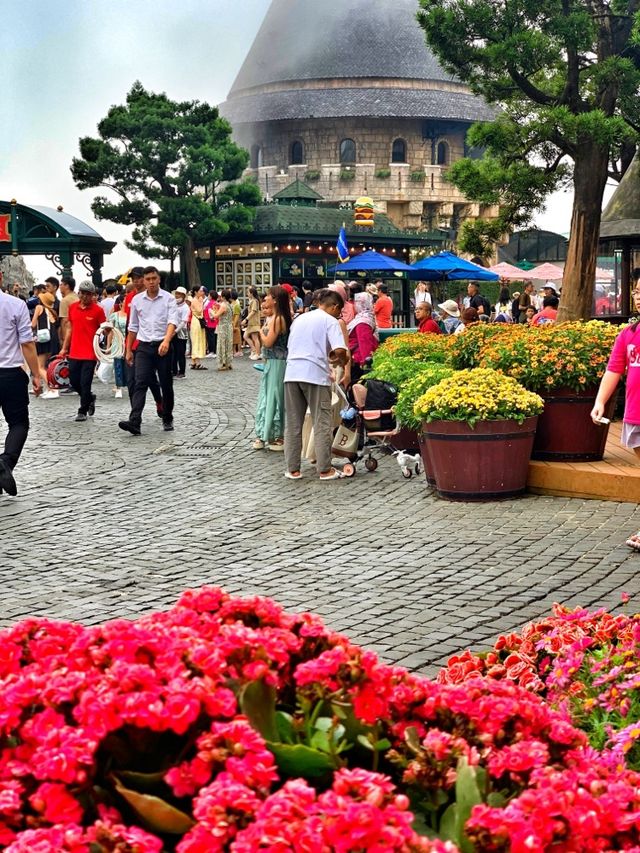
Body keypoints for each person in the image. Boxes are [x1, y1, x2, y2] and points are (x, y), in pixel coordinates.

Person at [283, 288, 350, 481]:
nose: (340, 315)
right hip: (315, 375)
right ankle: (324, 469)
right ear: (335, 307)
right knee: (322, 421)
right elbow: (339, 349)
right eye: (340, 311)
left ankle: (293, 469)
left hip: (292, 373)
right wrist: (342, 361)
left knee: (293, 423)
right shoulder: (330, 321)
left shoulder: (299, 319)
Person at [592, 288, 640, 549]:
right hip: (635, 414)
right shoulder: (628, 334)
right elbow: (614, 369)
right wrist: (600, 402)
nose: (639, 296)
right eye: (637, 291)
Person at [119, 266, 178, 436]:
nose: (151, 282)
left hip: (163, 344)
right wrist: (128, 350)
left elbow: (172, 321)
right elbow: (133, 326)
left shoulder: (168, 299)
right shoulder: (137, 300)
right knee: (140, 382)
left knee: (166, 383)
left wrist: (166, 341)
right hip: (144, 346)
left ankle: (167, 417)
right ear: (144, 281)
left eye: (154, 278)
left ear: (159, 279)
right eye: (148, 279)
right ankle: (135, 420)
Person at [0, 278, 42, 496]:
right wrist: (36, 374)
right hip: (10, 373)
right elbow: (26, 343)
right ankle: (5, 461)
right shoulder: (16, 305)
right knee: (18, 424)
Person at [59, 281, 106, 422]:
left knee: (85, 382)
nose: (85, 296)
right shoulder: (72, 308)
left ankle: (82, 410)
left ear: (93, 296)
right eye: (82, 293)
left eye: (88, 294)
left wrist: (107, 344)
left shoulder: (98, 310)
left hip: (90, 353)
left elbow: (105, 328)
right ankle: (89, 398)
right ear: (79, 293)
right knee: (73, 381)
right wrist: (64, 348)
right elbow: (69, 329)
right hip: (74, 351)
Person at [254, 285, 292, 450]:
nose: (265, 299)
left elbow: (268, 342)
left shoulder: (278, 319)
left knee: (273, 398)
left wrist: (259, 332)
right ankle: (269, 433)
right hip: (273, 362)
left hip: (277, 362)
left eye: (268, 296)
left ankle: (276, 435)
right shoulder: (276, 317)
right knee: (269, 396)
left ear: (275, 300)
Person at [31, 291, 58, 399]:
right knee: (45, 366)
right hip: (51, 338)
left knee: (40, 367)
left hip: (42, 339)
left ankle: (52, 388)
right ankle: (49, 388)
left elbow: (33, 324)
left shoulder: (39, 307)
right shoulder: (50, 311)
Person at [347, 291, 378, 382]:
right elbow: (365, 342)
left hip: (357, 360)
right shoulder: (364, 320)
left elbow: (364, 342)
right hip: (358, 360)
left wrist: (366, 363)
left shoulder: (361, 319)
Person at [109, 297, 128, 398]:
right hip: (117, 343)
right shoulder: (114, 316)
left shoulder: (131, 315)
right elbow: (110, 332)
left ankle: (130, 384)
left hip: (128, 342)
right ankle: (118, 387)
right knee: (118, 366)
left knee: (129, 365)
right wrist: (108, 346)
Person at [210, 289, 233, 371]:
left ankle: (223, 363)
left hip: (223, 326)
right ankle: (228, 362)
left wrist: (211, 312)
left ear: (223, 297)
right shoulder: (230, 305)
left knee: (222, 344)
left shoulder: (223, 305)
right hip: (229, 326)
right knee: (228, 344)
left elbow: (216, 315)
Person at [172, 287, 190, 378]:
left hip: (181, 332)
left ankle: (182, 372)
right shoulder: (173, 304)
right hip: (173, 330)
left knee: (180, 353)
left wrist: (175, 331)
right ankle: (174, 371)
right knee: (173, 353)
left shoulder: (185, 307)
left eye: (179, 294)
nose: (177, 296)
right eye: (176, 294)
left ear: (183, 296)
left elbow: (183, 322)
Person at [189, 288, 207, 370]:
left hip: (197, 320)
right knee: (197, 340)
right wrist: (201, 302)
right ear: (196, 292)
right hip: (196, 321)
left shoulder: (197, 299)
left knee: (197, 339)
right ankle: (197, 362)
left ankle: (194, 362)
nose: (202, 292)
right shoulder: (195, 300)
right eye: (200, 291)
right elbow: (199, 310)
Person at [58, 276, 79, 342]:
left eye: (61, 284)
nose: (60, 286)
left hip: (69, 335)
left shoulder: (65, 300)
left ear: (67, 286)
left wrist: (64, 340)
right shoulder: (78, 298)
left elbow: (64, 321)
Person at [244, 286, 262, 359]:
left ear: (251, 293)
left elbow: (253, 311)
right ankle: (254, 351)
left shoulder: (254, 301)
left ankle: (257, 353)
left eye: (248, 292)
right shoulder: (252, 300)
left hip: (254, 322)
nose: (247, 294)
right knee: (245, 336)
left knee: (255, 338)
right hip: (251, 322)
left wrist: (246, 319)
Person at [203, 290, 219, 358]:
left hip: (210, 322)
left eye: (209, 295)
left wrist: (211, 318)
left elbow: (210, 312)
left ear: (211, 296)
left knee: (210, 337)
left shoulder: (210, 303)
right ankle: (214, 351)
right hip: (215, 322)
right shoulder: (216, 303)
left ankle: (211, 351)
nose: (208, 296)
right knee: (214, 337)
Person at [231, 290, 243, 356]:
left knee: (237, 337)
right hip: (232, 322)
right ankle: (233, 351)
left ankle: (239, 351)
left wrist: (234, 324)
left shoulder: (236, 305)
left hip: (235, 323)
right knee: (233, 337)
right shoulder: (232, 304)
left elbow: (237, 315)